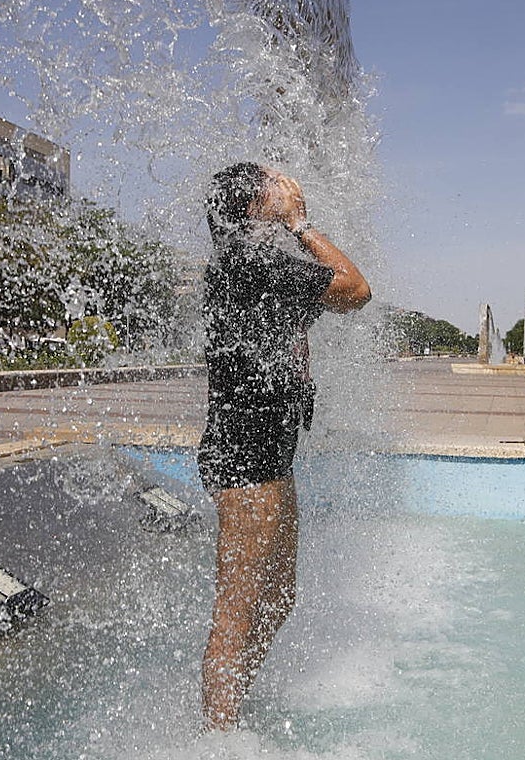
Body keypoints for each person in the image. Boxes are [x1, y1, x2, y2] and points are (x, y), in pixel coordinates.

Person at [198, 162, 371, 731]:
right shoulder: (253, 259)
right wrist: (301, 224)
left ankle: (230, 712)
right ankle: (217, 737)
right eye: (274, 181)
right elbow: (355, 288)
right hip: (246, 453)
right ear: (253, 206)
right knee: (240, 607)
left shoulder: (255, 265)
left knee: (278, 596)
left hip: (270, 449)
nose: (288, 182)